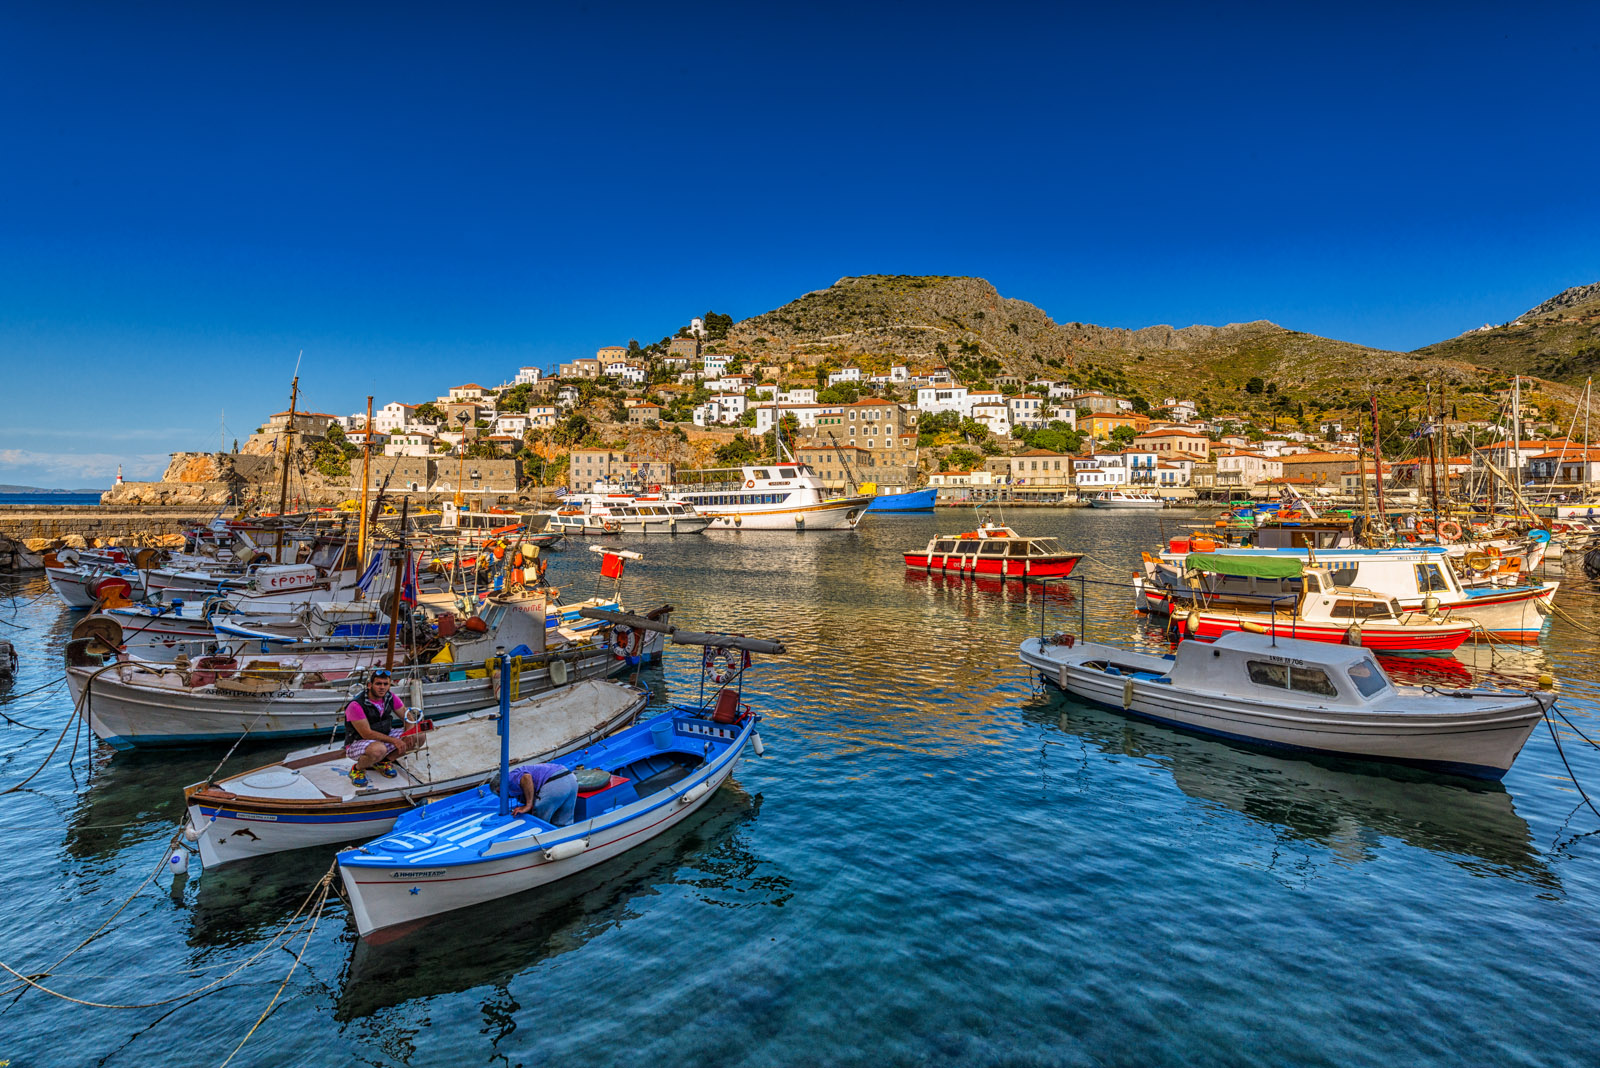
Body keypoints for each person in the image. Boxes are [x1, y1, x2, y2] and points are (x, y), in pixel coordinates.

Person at [344, 670, 423, 786]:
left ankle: (383, 762)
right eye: (378, 684)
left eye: (385, 684)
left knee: (419, 735)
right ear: (370, 685)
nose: (382, 687)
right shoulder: (356, 705)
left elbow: (408, 717)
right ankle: (357, 769)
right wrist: (395, 741)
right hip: (358, 741)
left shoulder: (390, 697)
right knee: (379, 749)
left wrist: (407, 734)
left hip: (383, 736)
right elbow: (367, 734)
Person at [505, 762, 577, 826]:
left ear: (499, 790)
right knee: (563, 823)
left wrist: (528, 805)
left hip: (554, 783)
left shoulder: (508, 778)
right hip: (571, 778)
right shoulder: (523, 770)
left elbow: (526, 777)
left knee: (539, 824)